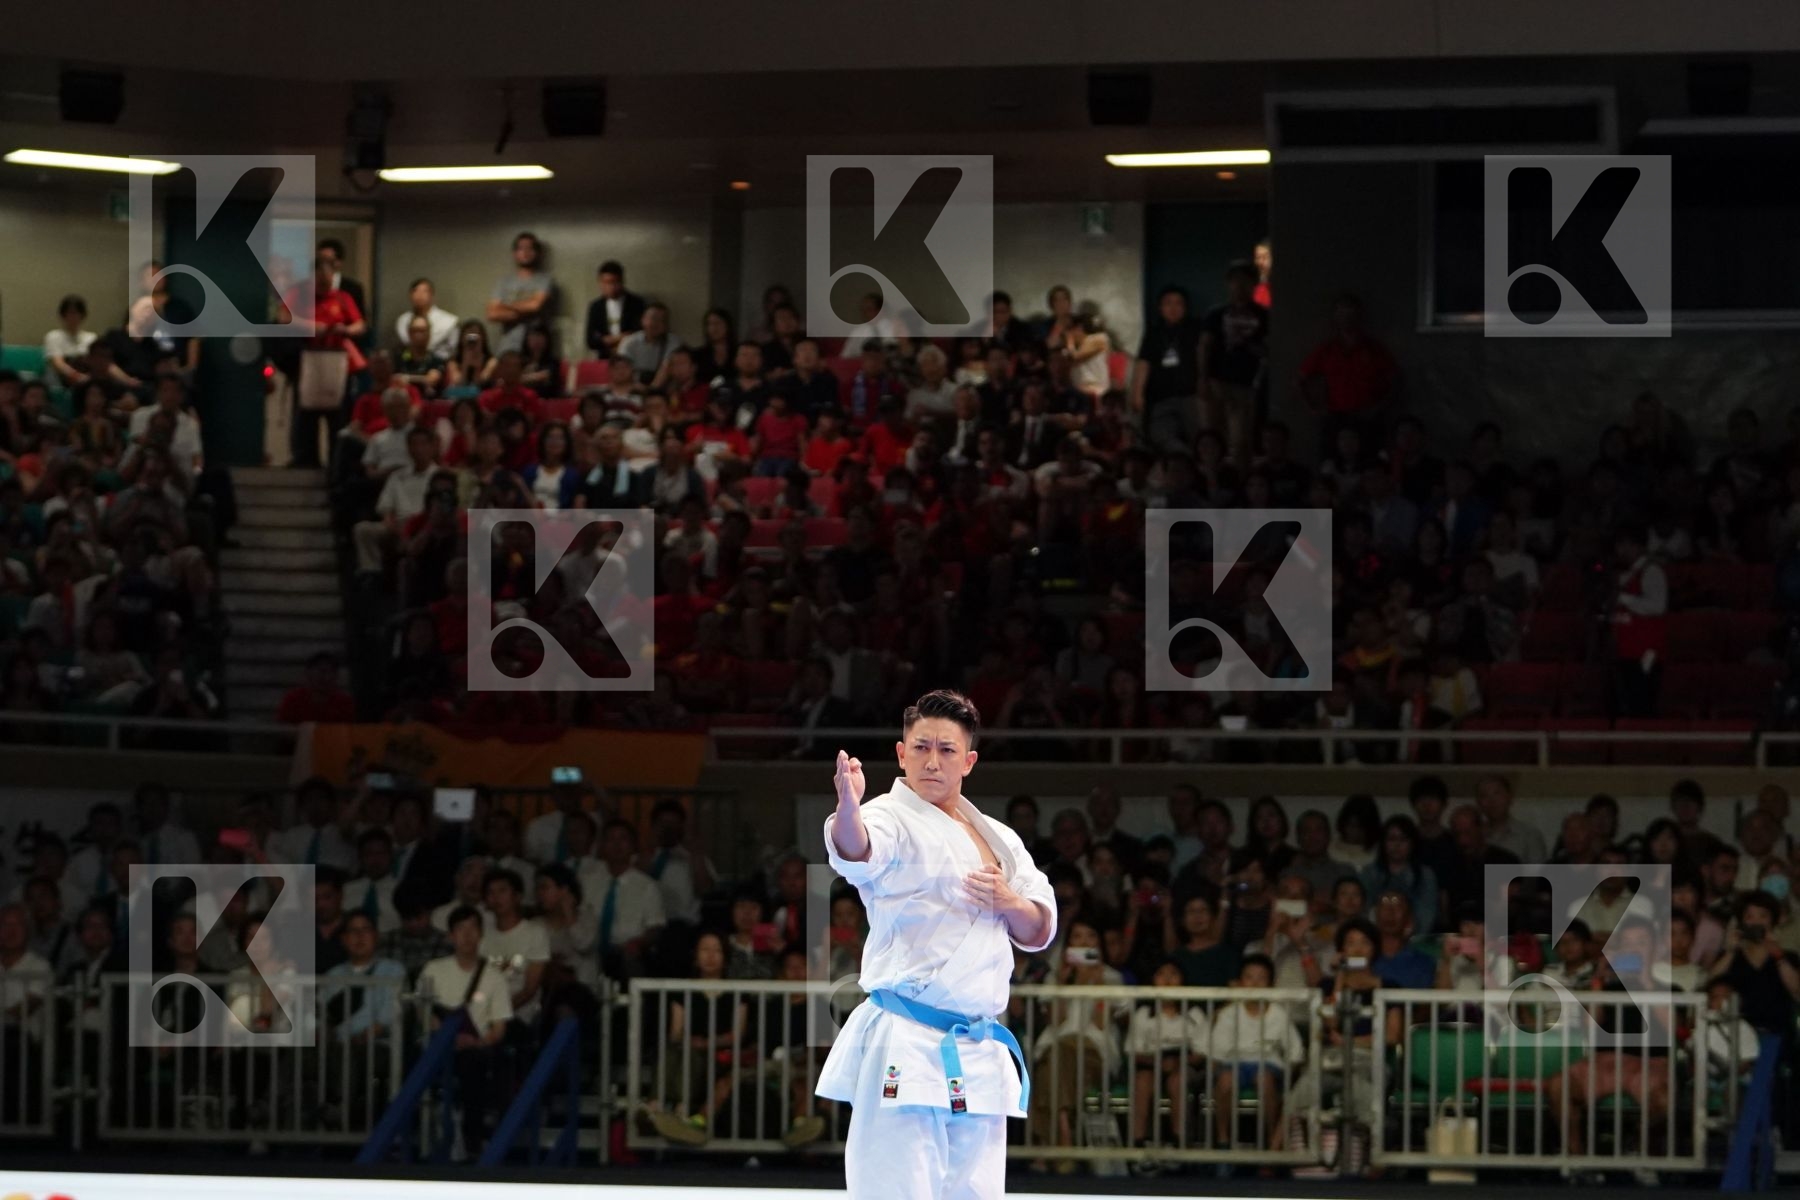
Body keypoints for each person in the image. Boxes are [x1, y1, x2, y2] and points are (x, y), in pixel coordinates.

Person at [814, 691, 1054, 1200]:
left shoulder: (1002, 839)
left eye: (946, 750)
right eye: (921, 746)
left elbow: (1038, 930)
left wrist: (1009, 901)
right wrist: (848, 806)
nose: (932, 759)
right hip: (907, 1037)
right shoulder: (888, 817)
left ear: (968, 761)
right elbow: (857, 851)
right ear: (901, 754)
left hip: (979, 1048)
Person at [1198, 261, 1269, 468]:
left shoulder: (1263, 315)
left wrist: (1248, 344)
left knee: (1241, 441)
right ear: (1228, 284)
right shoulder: (1216, 313)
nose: (1240, 286)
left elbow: (1268, 349)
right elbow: (1204, 346)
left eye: (1245, 281)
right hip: (1216, 381)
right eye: (1235, 280)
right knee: (1211, 438)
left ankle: (1241, 483)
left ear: (1254, 284)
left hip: (1245, 384)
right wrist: (1202, 379)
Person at [487, 232, 554, 353]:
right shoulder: (504, 282)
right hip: (507, 346)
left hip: (536, 347)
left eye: (530, 248)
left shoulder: (544, 280)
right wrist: (526, 311)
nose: (526, 252)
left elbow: (535, 306)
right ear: (515, 253)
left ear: (537, 252)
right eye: (521, 248)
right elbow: (492, 314)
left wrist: (505, 306)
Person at [585, 260, 646, 357]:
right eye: (606, 283)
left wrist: (606, 340)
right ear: (600, 283)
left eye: (614, 282)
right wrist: (620, 338)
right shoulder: (596, 307)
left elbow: (639, 334)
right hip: (605, 359)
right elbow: (591, 341)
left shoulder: (636, 303)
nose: (610, 287)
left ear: (622, 281)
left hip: (631, 358)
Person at [393, 277, 459, 360]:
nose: (420, 295)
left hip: (441, 365)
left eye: (424, 291)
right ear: (410, 295)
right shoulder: (402, 320)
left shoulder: (448, 321)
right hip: (410, 363)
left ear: (432, 295)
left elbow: (452, 350)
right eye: (416, 291)